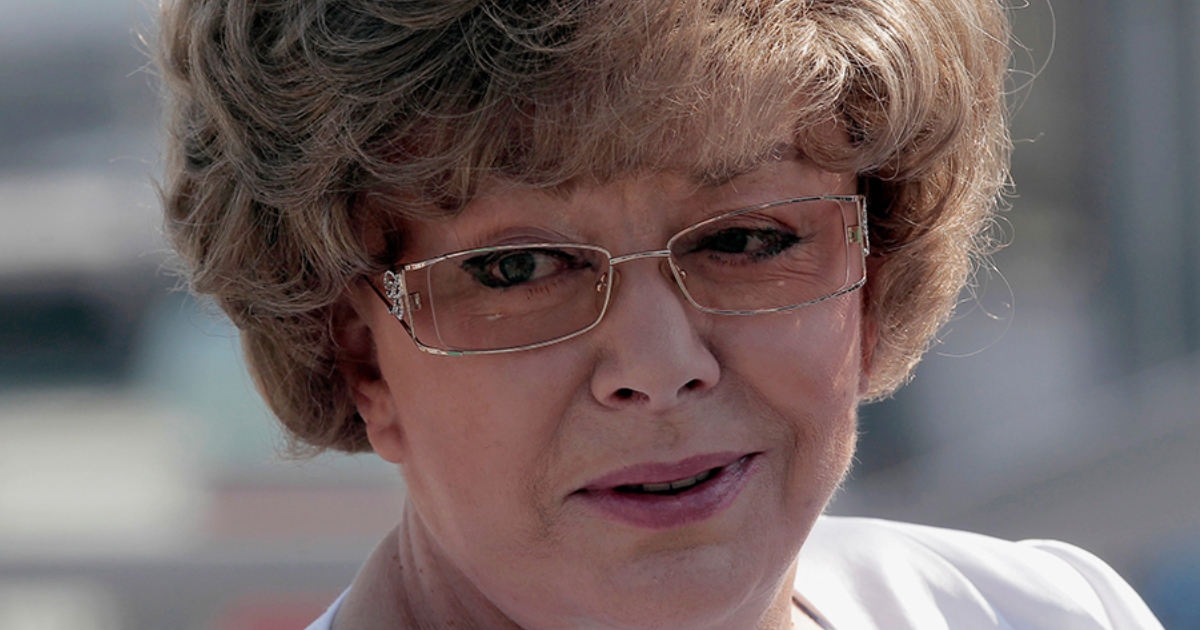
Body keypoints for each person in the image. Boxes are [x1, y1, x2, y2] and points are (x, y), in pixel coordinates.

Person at [156, 0, 1164, 628]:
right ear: (357, 353)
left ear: (876, 271)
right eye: (519, 267)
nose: (658, 363)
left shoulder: (1047, 616)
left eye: (749, 240)